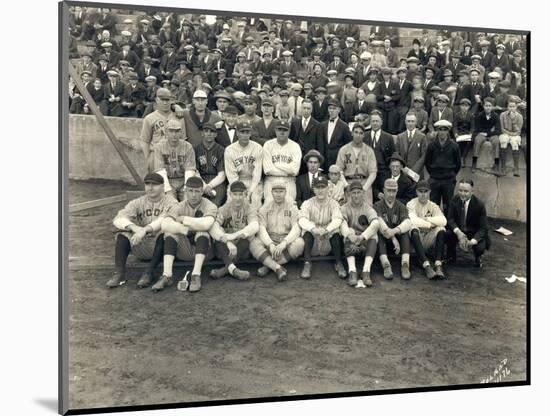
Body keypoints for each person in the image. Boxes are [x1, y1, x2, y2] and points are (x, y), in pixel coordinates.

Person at [107, 173, 177, 288]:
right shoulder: (138, 202)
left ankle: (149, 272)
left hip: (163, 248)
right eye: (147, 184)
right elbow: (118, 219)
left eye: (154, 184)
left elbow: (163, 220)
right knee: (123, 234)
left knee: (167, 233)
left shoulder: (171, 202)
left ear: (163, 186)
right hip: (141, 244)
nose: (150, 187)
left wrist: (144, 230)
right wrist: (135, 228)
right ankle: (119, 273)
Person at [158, 176, 218, 292]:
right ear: (185, 191)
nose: (194, 195)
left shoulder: (210, 205)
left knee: (202, 232)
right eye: (190, 191)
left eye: (197, 191)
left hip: (206, 253)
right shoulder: (179, 206)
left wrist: (184, 219)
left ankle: (196, 275)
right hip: (184, 250)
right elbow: (164, 225)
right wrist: (182, 228)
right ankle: (167, 275)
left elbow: (206, 224)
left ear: (202, 192)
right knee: (170, 232)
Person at [249, 182, 305, 281]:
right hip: (270, 240)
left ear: (285, 192)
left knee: (300, 243)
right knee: (253, 243)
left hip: (285, 240)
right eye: (275, 191)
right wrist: (270, 244)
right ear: (271, 192)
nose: (278, 194)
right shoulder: (265, 208)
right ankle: (277, 268)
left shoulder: (292, 207)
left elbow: (296, 228)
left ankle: (269, 266)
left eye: (281, 191)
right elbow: (261, 228)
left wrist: (284, 243)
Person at [209, 181, 260, 281]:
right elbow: (214, 227)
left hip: (242, 250)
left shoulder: (250, 208)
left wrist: (234, 236)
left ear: (245, 194)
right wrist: (228, 241)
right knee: (218, 237)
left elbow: (255, 226)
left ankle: (225, 270)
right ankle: (234, 270)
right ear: (230, 194)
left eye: (241, 194)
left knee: (248, 237)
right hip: (225, 250)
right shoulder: (224, 208)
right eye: (235, 194)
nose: (238, 197)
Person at [298, 176, 346, 279]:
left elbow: (338, 219)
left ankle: (338, 263)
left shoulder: (333, 203)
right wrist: (313, 229)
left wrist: (326, 230)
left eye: (323, 187)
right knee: (306, 229)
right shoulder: (307, 203)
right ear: (313, 189)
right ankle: (307, 263)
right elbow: (301, 220)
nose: (320, 190)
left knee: (336, 229)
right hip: (312, 243)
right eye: (317, 187)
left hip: (327, 241)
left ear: (328, 188)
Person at [339, 181, 380, 287]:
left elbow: (376, 223)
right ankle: (352, 271)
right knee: (348, 232)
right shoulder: (344, 208)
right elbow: (342, 223)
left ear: (363, 193)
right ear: (349, 194)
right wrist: (350, 235)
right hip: (351, 243)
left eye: (358, 192)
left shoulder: (368, 208)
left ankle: (366, 271)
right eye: (354, 193)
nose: (356, 195)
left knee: (374, 235)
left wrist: (362, 237)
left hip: (363, 242)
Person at [406, 180, 447, 279]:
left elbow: (443, 221)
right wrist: (430, 224)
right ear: (416, 192)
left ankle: (438, 265)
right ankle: (426, 265)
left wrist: (427, 219)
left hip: (428, 239)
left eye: (425, 191)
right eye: (420, 191)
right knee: (413, 228)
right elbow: (413, 220)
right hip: (416, 241)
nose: (423, 194)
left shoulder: (433, 205)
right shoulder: (411, 204)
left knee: (441, 229)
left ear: (429, 192)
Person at [445, 179, 491, 268]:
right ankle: (451, 256)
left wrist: (472, 242)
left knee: (480, 246)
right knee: (446, 234)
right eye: (460, 190)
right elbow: (450, 219)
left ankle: (478, 257)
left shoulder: (479, 204)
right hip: (459, 230)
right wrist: (458, 232)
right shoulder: (454, 199)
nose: (462, 193)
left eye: (466, 191)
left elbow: (483, 228)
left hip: (473, 232)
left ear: (472, 191)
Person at [374, 178, 413, 280]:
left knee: (404, 233)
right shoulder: (377, 205)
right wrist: (392, 237)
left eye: (394, 191)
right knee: (378, 231)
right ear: (383, 190)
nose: (391, 194)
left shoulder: (401, 206)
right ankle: (386, 265)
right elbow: (379, 222)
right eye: (388, 190)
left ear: (397, 191)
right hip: (384, 242)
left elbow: (408, 222)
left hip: (398, 245)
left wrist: (394, 232)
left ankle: (405, 264)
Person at [140, 87, 186, 172]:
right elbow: (145, 141)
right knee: (157, 183)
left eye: (167, 100)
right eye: (162, 100)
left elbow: (183, 139)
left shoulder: (179, 117)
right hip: (157, 155)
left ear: (171, 101)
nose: (165, 103)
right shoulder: (149, 118)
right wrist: (148, 158)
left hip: (174, 156)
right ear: (157, 100)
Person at [153, 119, 196, 200]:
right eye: (171, 131)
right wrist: (167, 189)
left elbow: (189, 170)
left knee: (188, 202)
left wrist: (187, 188)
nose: (174, 134)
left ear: (181, 133)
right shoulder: (159, 147)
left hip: (183, 179)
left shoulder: (187, 146)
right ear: (166, 132)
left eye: (177, 131)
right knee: (170, 203)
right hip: (168, 180)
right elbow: (160, 170)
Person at [424, 120, 462, 214]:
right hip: (435, 179)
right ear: (437, 131)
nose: (442, 132)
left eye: (445, 130)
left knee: (448, 204)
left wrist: (450, 174)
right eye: (440, 130)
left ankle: (448, 225)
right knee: (433, 204)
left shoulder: (454, 146)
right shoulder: (432, 145)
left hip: (448, 180)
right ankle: (435, 225)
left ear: (448, 131)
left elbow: (458, 164)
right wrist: (434, 173)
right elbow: (427, 162)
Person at [224, 120, 264, 207]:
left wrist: (250, 191)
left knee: (255, 203)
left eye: (247, 132)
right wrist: (240, 190)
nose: (245, 135)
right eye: (242, 132)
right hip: (237, 181)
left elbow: (257, 174)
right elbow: (231, 175)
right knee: (231, 203)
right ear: (237, 133)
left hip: (254, 182)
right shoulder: (229, 150)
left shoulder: (257, 148)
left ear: (250, 133)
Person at [335, 123, 377, 205]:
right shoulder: (344, 149)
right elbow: (339, 170)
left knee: (366, 211)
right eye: (356, 132)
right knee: (348, 210)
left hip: (364, 183)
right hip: (349, 183)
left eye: (361, 133)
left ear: (364, 135)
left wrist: (364, 188)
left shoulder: (369, 151)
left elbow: (373, 172)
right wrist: (346, 185)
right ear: (352, 133)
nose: (358, 135)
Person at [262, 119, 302, 203]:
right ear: (275, 130)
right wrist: (288, 170)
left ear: (289, 131)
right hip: (271, 180)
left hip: (289, 181)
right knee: (269, 205)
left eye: (285, 130)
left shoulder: (295, 146)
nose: (282, 132)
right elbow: (267, 170)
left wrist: (276, 165)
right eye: (279, 129)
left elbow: (294, 170)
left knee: (289, 205)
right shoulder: (268, 145)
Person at [364, 111, 395, 200]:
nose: (375, 123)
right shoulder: (365, 136)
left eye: (377, 121)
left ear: (381, 122)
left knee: (381, 197)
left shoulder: (388, 137)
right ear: (370, 122)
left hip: (383, 174)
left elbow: (393, 156)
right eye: (373, 121)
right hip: (367, 173)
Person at [194, 122, 227, 206]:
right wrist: (205, 187)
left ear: (215, 134)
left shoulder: (221, 150)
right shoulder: (196, 149)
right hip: (201, 180)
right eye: (206, 131)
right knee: (197, 203)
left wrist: (210, 186)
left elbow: (222, 174)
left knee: (215, 203)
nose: (209, 133)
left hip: (217, 181)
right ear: (202, 133)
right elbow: (195, 172)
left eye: (212, 131)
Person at [317, 98, 352, 171]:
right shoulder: (322, 125)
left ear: (339, 110)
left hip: (338, 162)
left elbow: (348, 146)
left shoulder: (344, 126)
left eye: (334, 108)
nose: (332, 111)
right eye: (330, 108)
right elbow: (320, 145)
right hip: (324, 162)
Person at [472, 97, 502, 175]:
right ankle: (474, 162)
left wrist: (488, 133)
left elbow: (498, 130)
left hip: (491, 135)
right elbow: (478, 128)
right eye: (486, 106)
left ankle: (496, 163)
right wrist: (486, 132)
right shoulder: (480, 115)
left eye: (489, 106)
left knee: (496, 141)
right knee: (477, 140)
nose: (488, 107)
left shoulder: (495, 116)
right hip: (482, 134)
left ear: (492, 107)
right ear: (483, 106)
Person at [499, 96, 524, 177]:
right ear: (507, 107)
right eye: (510, 106)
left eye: (513, 107)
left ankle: (516, 168)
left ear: (516, 107)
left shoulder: (519, 117)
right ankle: (503, 167)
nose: (511, 108)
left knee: (514, 142)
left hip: (514, 135)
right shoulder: (503, 115)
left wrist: (513, 120)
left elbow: (518, 131)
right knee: (503, 140)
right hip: (505, 133)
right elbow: (502, 129)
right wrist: (508, 134)